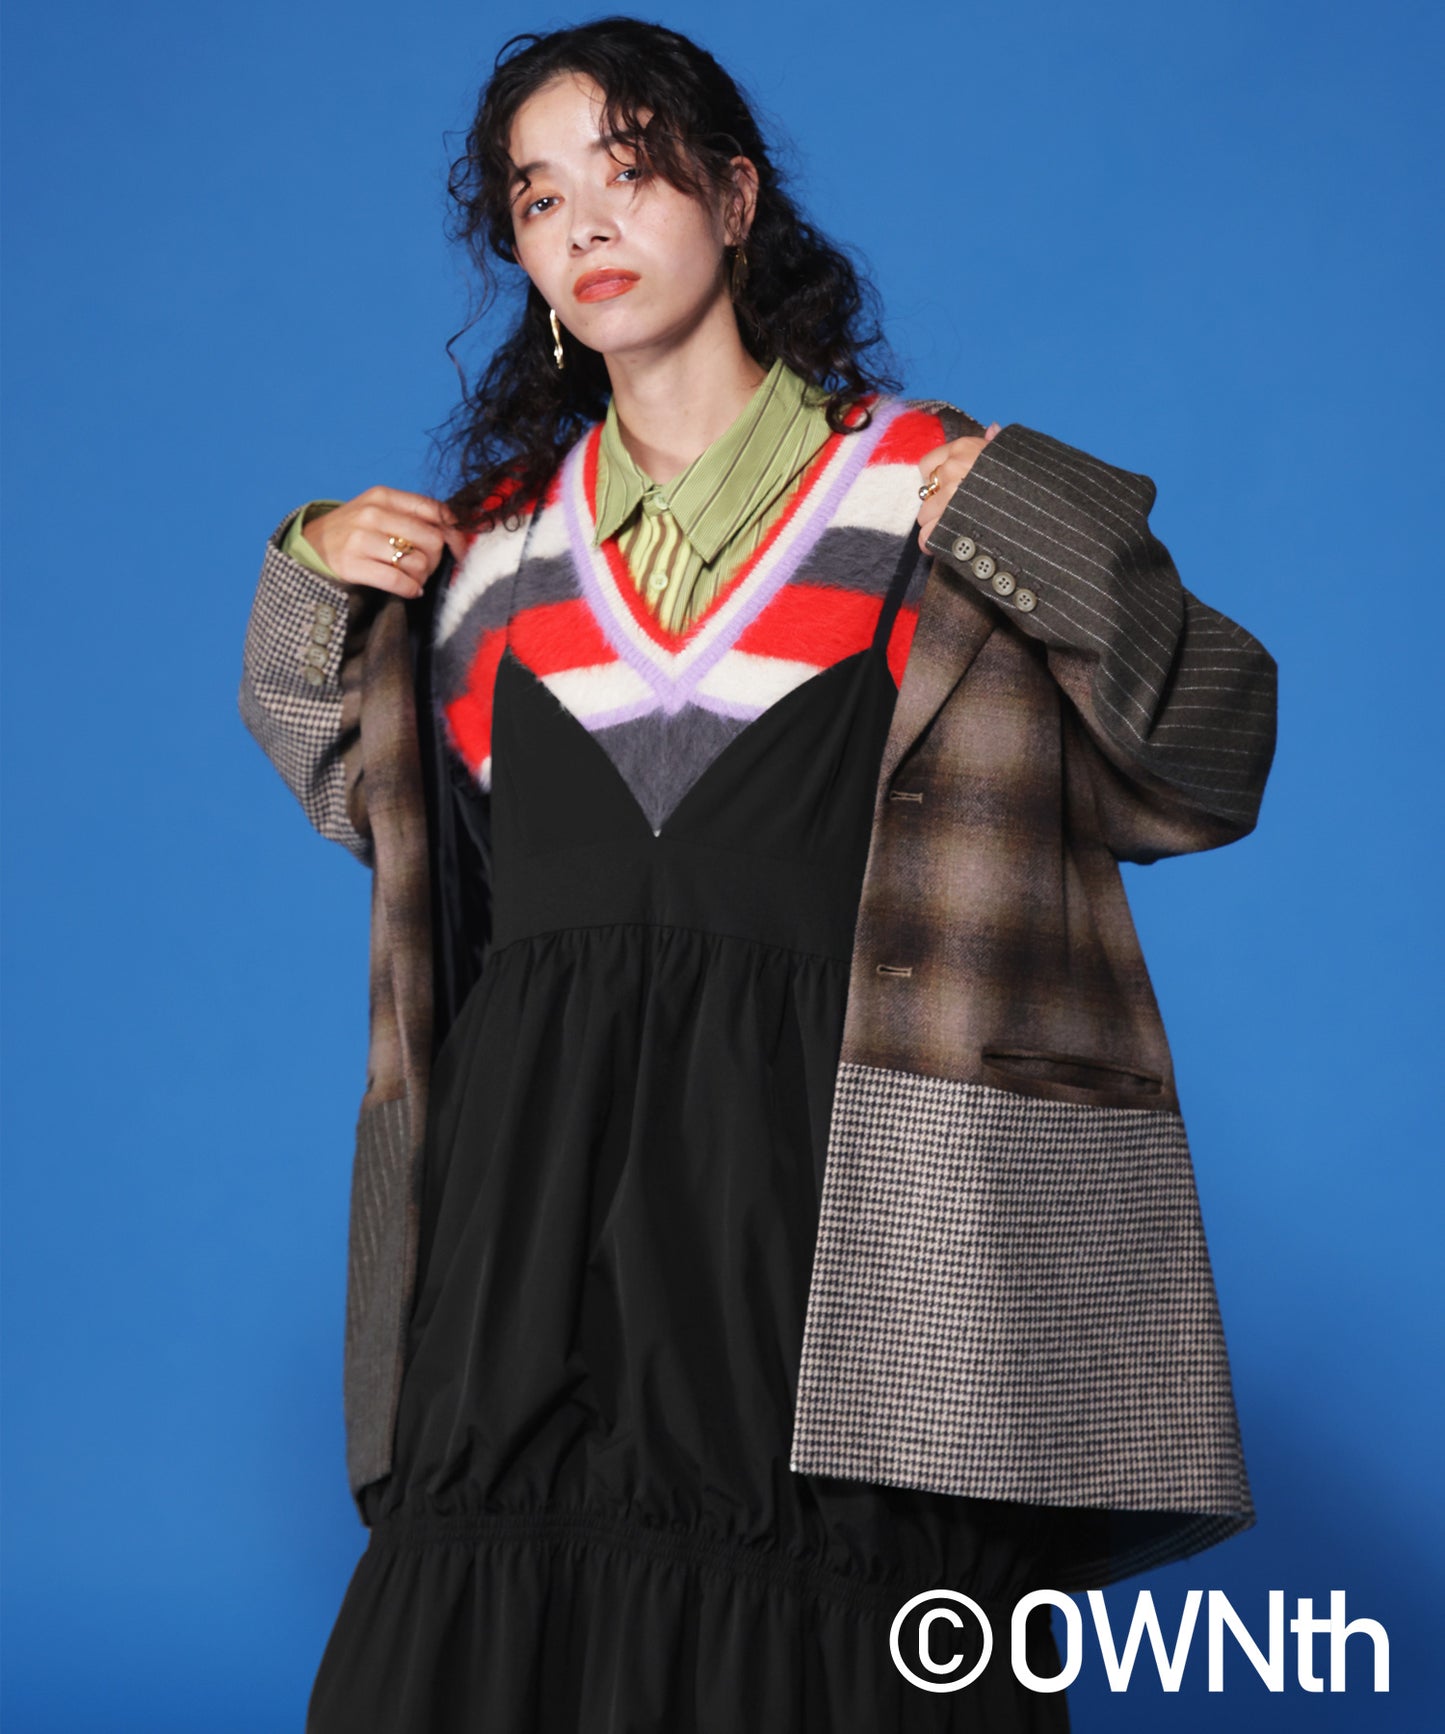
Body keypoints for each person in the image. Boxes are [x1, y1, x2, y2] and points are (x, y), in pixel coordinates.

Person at [237, 16, 1277, 1732]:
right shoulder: (486, 559)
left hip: (844, 1204)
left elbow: (1206, 757)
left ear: (733, 200)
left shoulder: (922, 498)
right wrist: (309, 570)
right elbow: (370, 799)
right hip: (532, 1229)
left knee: (845, 1637)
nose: (584, 223)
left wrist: (1041, 512)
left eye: (628, 171)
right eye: (536, 196)